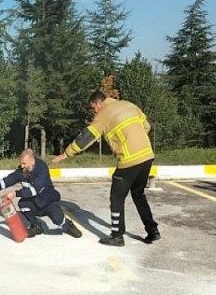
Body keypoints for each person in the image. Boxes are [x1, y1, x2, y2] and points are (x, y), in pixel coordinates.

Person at [52, 90, 161, 246]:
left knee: (116, 197)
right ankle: (153, 231)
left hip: (129, 160)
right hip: (147, 156)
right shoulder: (129, 105)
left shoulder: (103, 114)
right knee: (138, 194)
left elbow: (87, 136)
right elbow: (147, 126)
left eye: (93, 108)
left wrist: (67, 153)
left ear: (99, 103)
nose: (93, 112)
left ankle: (117, 236)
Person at [0, 149, 82, 239]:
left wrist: (15, 193)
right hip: (34, 201)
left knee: (58, 220)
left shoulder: (42, 168)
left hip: (49, 201)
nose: (21, 166)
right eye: (21, 163)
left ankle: (68, 225)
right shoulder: (21, 171)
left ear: (32, 161)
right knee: (23, 204)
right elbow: (5, 181)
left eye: (24, 163)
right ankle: (36, 227)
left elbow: (34, 190)